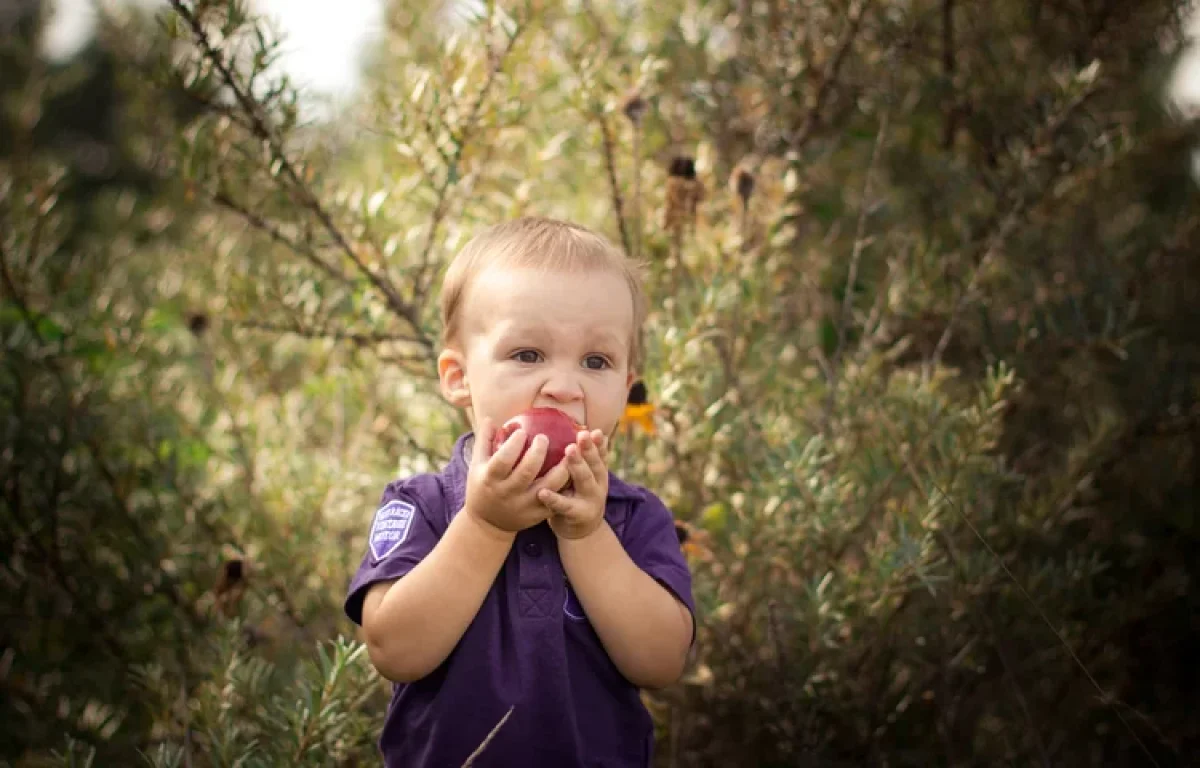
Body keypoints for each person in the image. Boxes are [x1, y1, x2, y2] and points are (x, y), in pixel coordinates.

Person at [343, 217, 696, 767]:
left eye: (596, 361)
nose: (563, 386)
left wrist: (588, 535)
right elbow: (393, 650)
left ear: (627, 390)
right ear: (458, 377)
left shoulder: (633, 518)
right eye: (528, 354)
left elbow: (662, 661)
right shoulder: (423, 506)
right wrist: (485, 526)